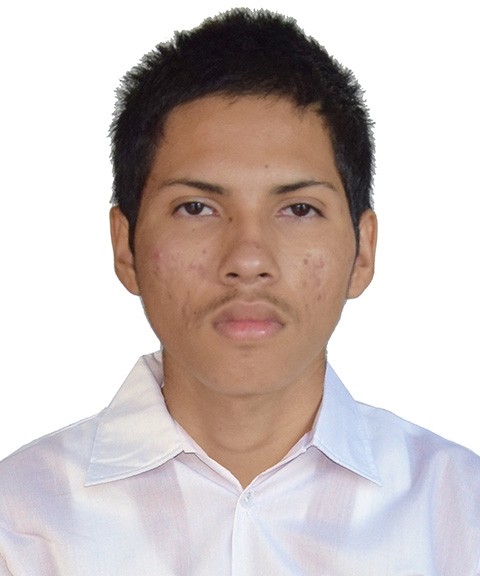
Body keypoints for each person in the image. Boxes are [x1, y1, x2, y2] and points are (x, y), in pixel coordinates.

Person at [0, 8, 479, 575]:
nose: (248, 260)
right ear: (125, 246)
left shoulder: (460, 514)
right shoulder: (20, 522)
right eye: (196, 208)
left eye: (298, 209)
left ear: (362, 250)